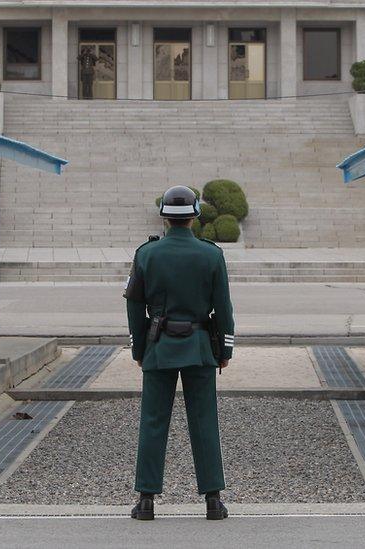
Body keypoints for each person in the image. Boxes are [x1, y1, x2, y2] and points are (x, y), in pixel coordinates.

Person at [124, 186, 235, 521]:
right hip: (200, 347)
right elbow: (224, 308)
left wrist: (139, 348)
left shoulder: (146, 254)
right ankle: (213, 500)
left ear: (164, 217)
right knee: (204, 421)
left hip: (158, 347)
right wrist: (225, 349)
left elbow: (134, 304)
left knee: (153, 422)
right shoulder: (211, 254)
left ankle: (146, 500)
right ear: (195, 214)